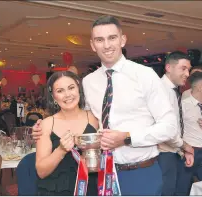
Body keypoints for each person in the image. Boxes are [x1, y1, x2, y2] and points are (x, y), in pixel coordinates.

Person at [33, 15, 177, 195]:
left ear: (123, 40)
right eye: (100, 40)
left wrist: (127, 137)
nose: (107, 45)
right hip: (100, 174)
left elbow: (170, 127)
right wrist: (43, 127)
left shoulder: (145, 75)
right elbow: (80, 119)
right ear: (93, 45)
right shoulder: (88, 82)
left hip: (140, 172)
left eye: (112, 38)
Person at [35, 71, 98, 196]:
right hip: (57, 190)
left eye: (71, 88)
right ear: (53, 96)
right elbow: (41, 171)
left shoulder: (94, 118)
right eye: (60, 91)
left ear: (78, 89)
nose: (67, 95)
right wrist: (61, 150)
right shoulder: (47, 124)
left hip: (91, 188)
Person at [158, 51, 194, 195]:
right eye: (183, 68)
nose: (187, 74)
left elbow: (174, 126)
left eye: (189, 70)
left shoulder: (172, 91)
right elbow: (164, 130)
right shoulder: (160, 90)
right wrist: (185, 146)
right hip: (162, 154)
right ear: (168, 68)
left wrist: (181, 150)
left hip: (172, 152)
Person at [176, 72, 202, 195]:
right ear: (199, 87)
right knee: (182, 191)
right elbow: (175, 131)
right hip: (188, 152)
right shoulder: (182, 106)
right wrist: (183, 150)